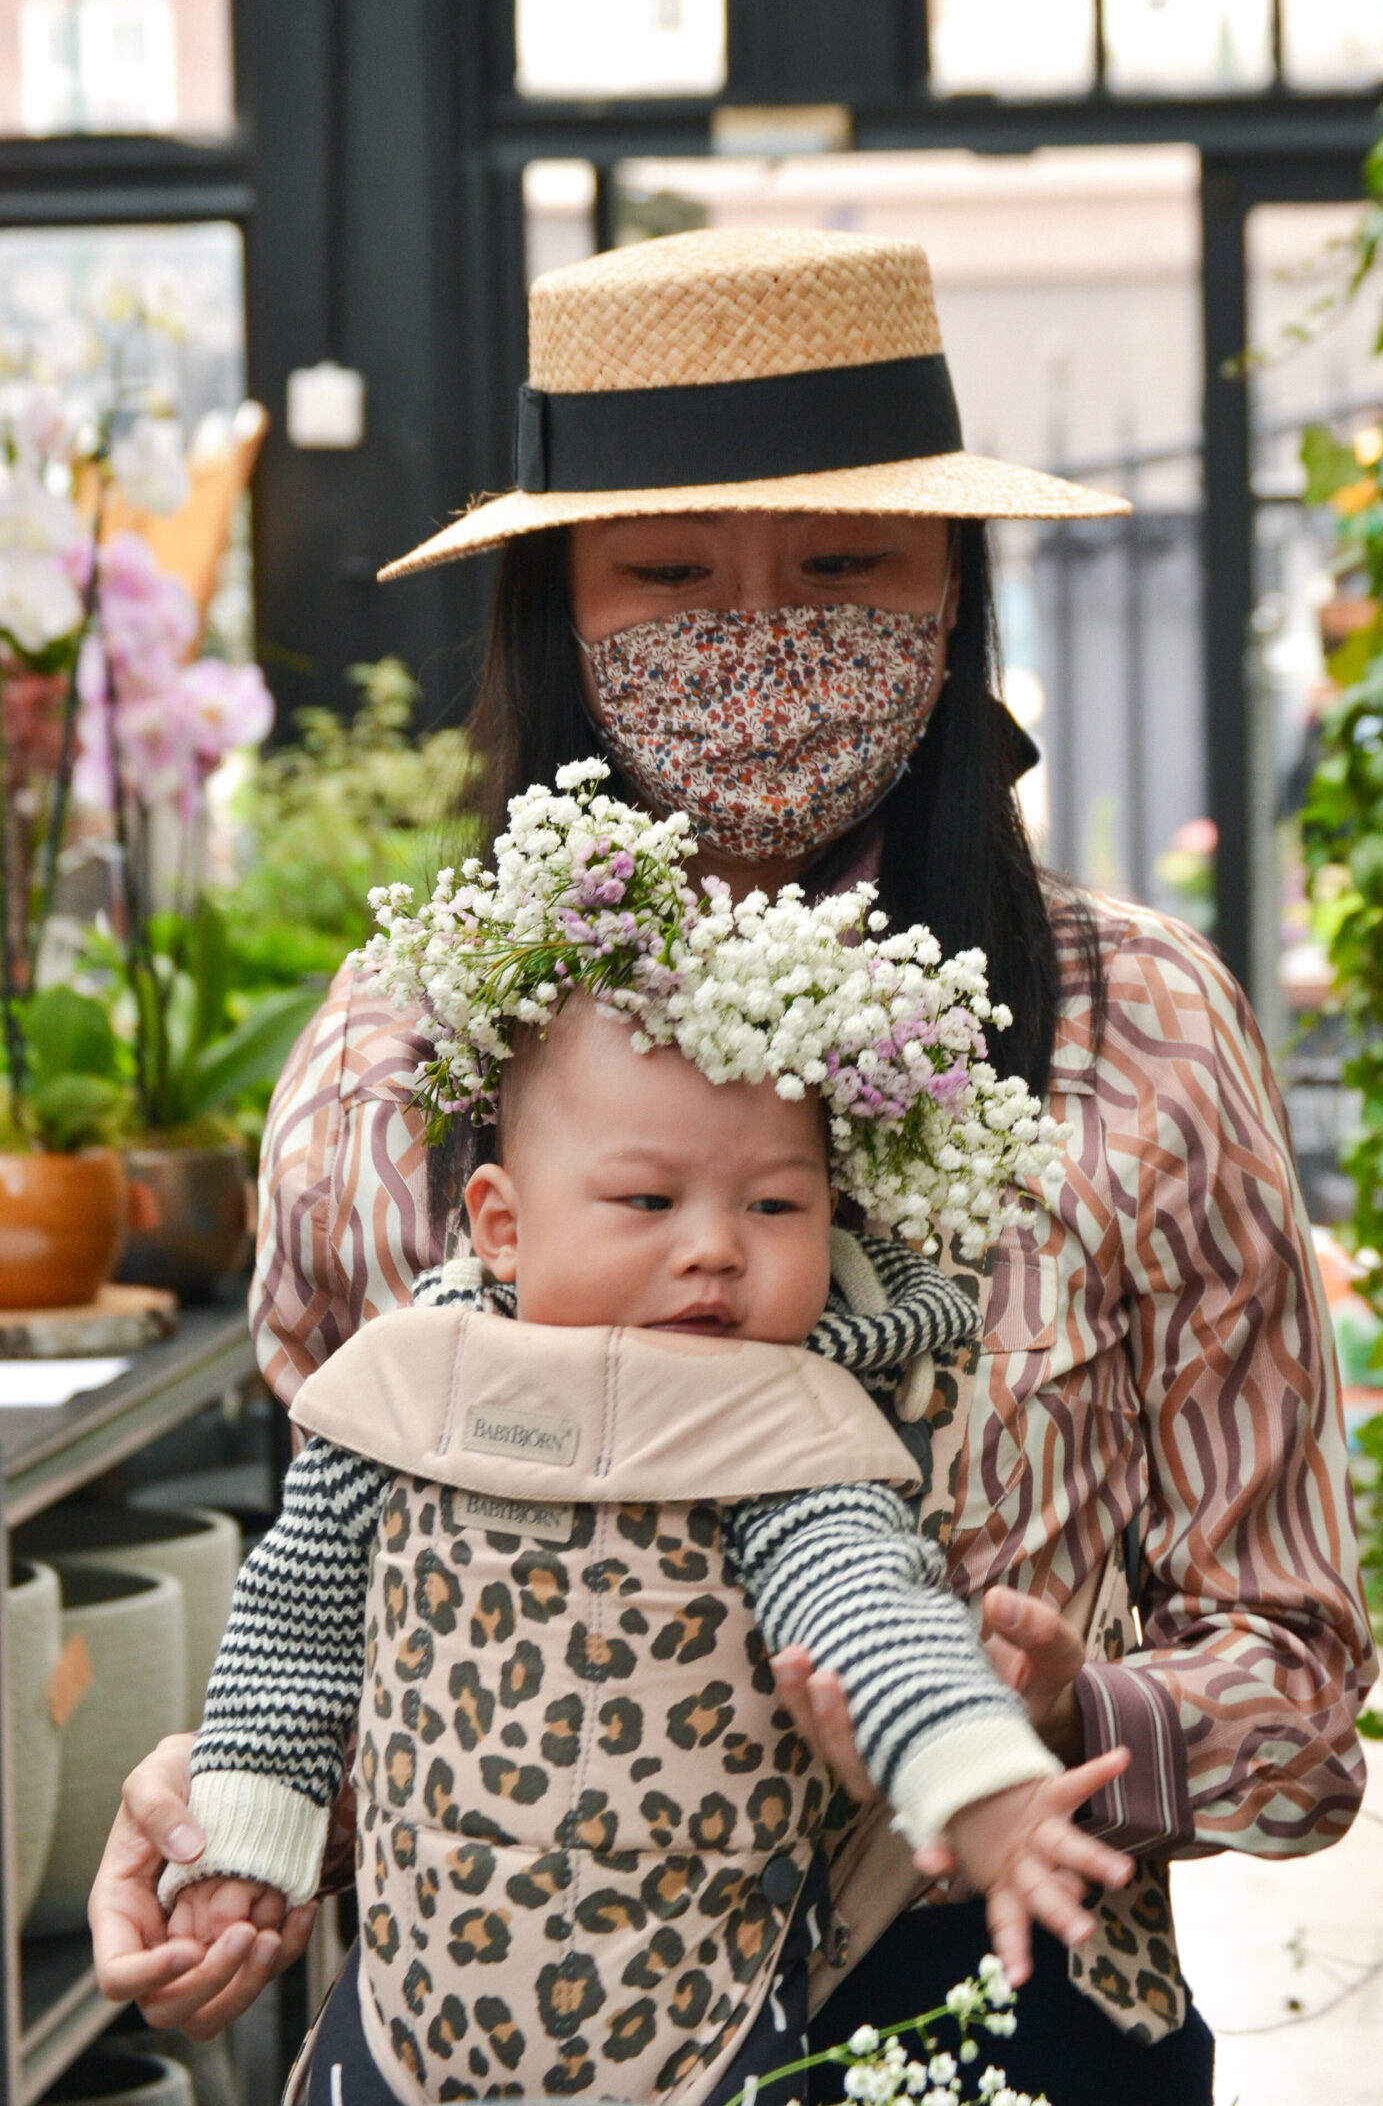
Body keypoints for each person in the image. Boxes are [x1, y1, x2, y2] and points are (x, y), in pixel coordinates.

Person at [91, 226, 1375, 2106]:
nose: (760, 635)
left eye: (844, 564)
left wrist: (1049, 1722)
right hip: (497, 2033)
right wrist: (223, 1808)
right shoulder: (395, 1055)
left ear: (953, 591)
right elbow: (354, 1603)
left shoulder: (1140, 1032)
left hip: (995, 2012)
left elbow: (1303, 1699)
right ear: (558, 609)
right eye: (670, 572)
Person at [154, 793, 1133, 2105]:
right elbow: (292, 1626)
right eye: (648, 1199)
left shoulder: (779, 1427)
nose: (715, 1247)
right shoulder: (407, 1388)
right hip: (406, 2013)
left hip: (693, 2022)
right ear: (501, 1225)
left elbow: (868, 1611)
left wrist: (975, 1777)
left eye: (774, 1204)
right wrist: (242, 1848)